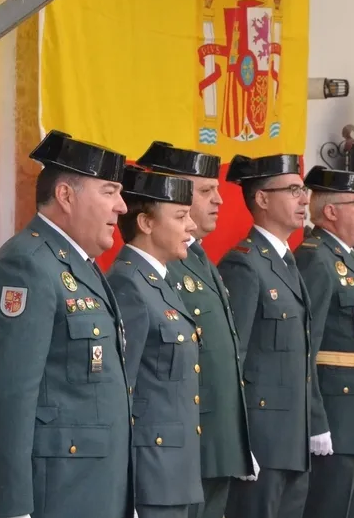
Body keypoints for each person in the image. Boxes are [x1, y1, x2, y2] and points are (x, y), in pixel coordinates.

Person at [0, 130, 132, 518]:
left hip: (95, 490)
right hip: (55, 496)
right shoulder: (28, 265)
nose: (122, 207)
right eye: (109, 192)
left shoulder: (81, 266)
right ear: (65, 195)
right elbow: (8, 398)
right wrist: (11, 506)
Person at [135, 141, 255, 518]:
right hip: (181, 444)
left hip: (215, 440)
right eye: (205, 191)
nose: (218, 200)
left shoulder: (200, 258)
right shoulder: (160, 266)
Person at [294, 166, 354, 518]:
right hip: (338, 417)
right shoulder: (315, 258)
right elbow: (305, 347)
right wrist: (314, 418)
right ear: (331, 211)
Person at [218, 154, 312, 518]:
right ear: (262, 199)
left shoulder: (287, 263)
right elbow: (233, 360)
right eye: (293, 190)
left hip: (293, 439)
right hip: (263, 440)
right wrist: (239, 444)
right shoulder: (244, 262)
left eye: (302, 190)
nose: (304, 199)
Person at [107, 166, 201, 518]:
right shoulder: (128, 284)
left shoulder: (158, 281)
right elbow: (122, 393)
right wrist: (126, 486)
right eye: (180, 216)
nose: (191, 226)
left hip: (176, 472)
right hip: (150, 475)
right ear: (146, 223)